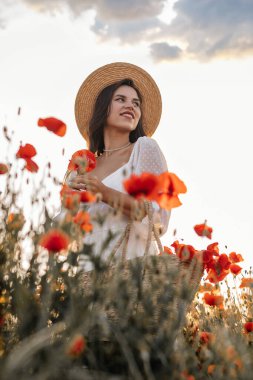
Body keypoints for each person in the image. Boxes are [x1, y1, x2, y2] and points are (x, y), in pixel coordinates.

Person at [65, 62, 171, 272]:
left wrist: (103, 192)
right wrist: (67, 194)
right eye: (120, 99)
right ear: (103, 108)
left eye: (136, 103)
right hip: (88, 277)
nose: (131, 106)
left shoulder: (144, 148)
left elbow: (156, 218)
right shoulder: (85, 166)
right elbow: (69, 235)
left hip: (132, 272)